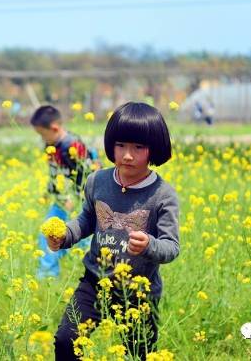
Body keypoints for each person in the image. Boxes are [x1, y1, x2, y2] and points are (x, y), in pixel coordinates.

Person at [47, 102, 180, 359]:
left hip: (139, 291)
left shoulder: (163, 194)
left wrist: (149, 245)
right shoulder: (98, 180)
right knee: (66, 341)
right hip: (95, 282)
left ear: (154, 149)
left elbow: (171, 246)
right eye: (121, 145)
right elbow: (87, 219)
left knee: (136, 353)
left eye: (138, 147)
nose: (127, 155)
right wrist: (65, 236)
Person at [30, 105, 99, 278]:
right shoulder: (50, 145)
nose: (41, 138)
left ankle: (90, 273)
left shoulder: (72, 145)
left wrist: (76, 198)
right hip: (60, 201)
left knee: (82, 239)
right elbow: (55, 173)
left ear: (54, 128)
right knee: (47, 234)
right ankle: (47, 275)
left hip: (77, 202)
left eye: (42, 134)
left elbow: (88, 175)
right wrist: (48, 192)